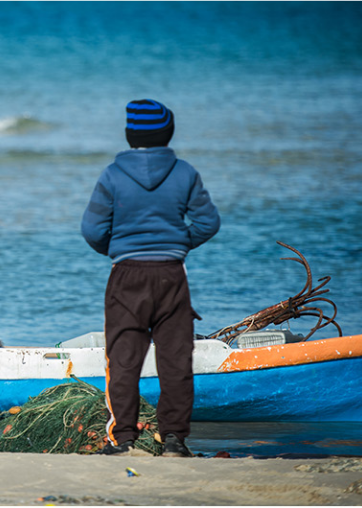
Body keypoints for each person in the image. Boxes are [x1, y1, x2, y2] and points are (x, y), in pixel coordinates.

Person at [81, 99, 220, 457]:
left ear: (129, 136)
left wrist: (119, 249)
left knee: (123, 358)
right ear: (168, 134)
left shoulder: (112, 175)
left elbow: (92, 229)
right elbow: (208, 223)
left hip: (126, 276)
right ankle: (174, 439)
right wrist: (176, 245)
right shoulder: (185, 173)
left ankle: (123, 439)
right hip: (171, 274)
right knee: (175, 359)